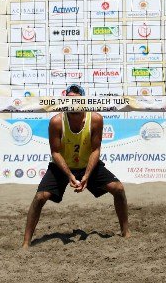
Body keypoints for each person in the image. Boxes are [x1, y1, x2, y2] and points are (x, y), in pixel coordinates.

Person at [22, 84, 130, 248]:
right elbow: (55, 152)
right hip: (62, 166)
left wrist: (86, 175)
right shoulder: (57, 121)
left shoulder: (95, 119)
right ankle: (25, 242)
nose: (72, 103)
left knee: (118, 188)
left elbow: (95, 149)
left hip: (88, 165)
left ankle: (126, 232)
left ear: (84, 101)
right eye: (69, 100)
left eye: (76, 100)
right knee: (40, 197)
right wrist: (70, 176)